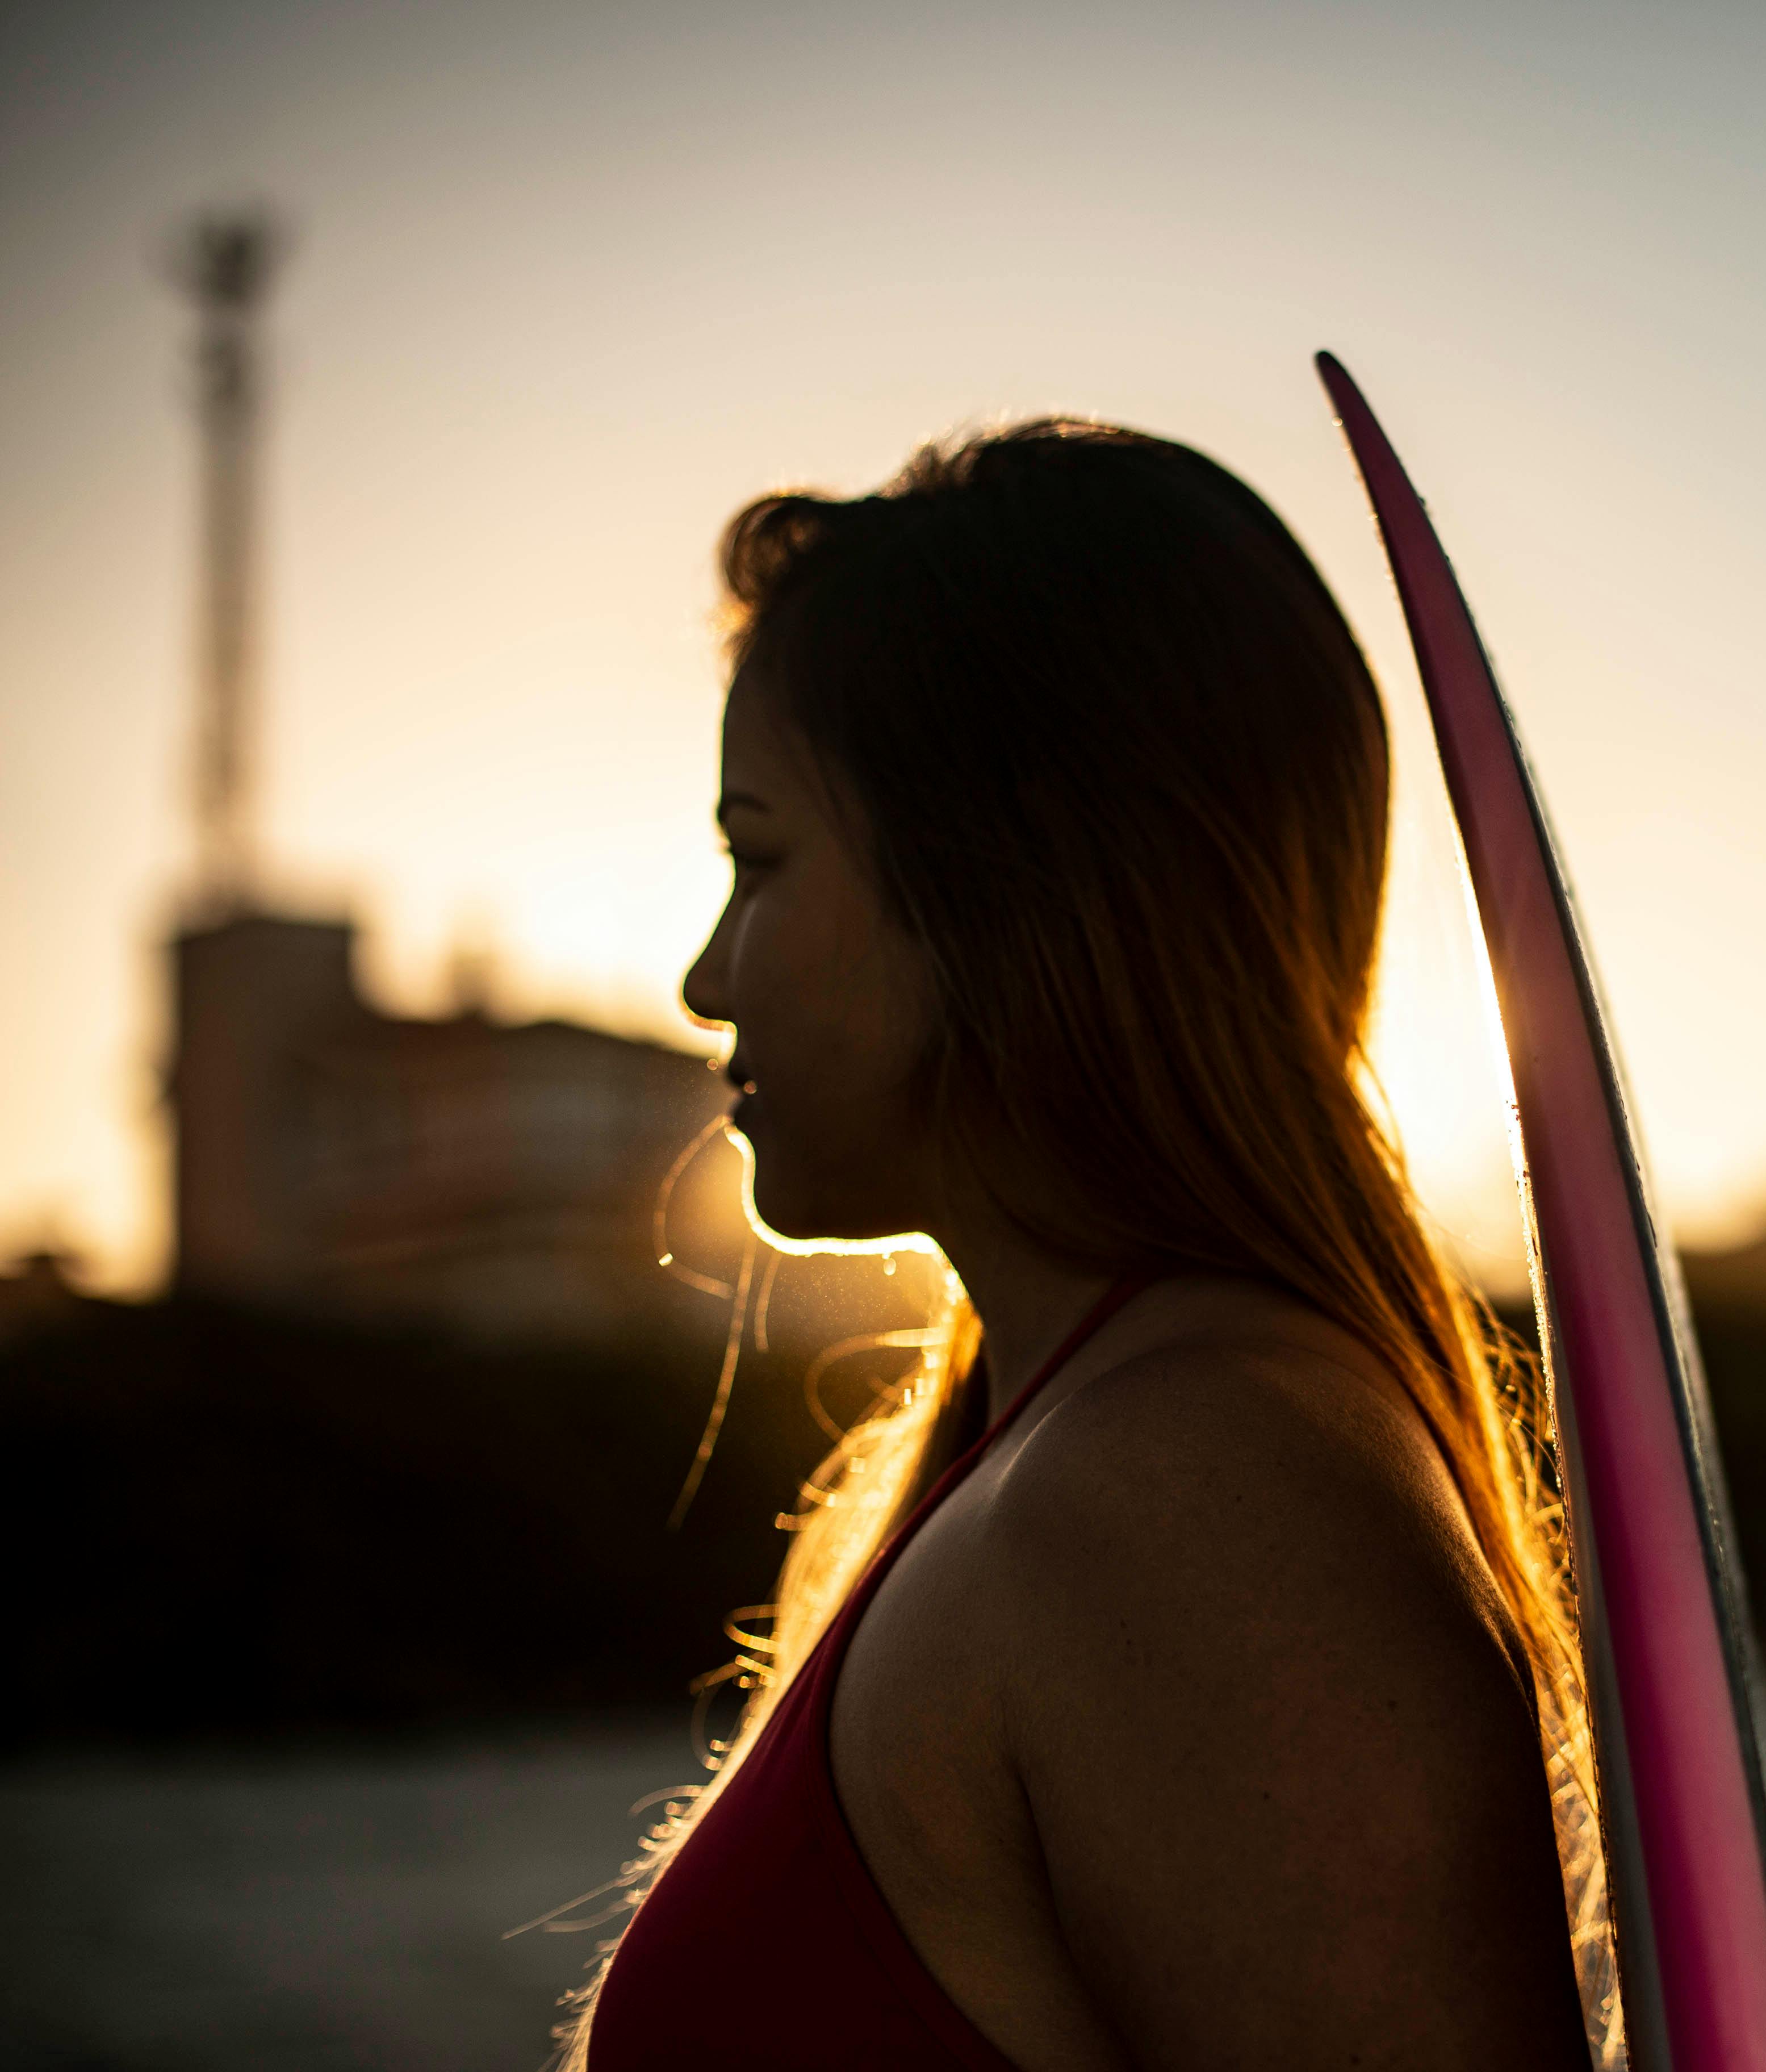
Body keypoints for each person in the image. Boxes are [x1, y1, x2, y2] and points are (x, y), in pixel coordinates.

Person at [570, 422, 1608, 2070]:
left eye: (760, 859)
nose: (707, 975)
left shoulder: (1192, 1493)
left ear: (1001, 881)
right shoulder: (1050, 1448)